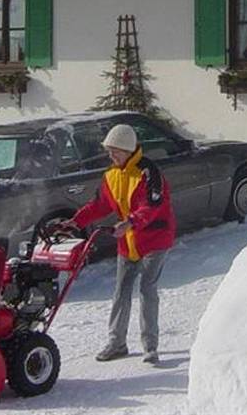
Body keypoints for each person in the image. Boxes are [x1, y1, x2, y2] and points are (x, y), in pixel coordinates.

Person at [65, 123, 175, 364]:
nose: (110, 155)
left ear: (127, 149)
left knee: (147, 289)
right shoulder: (111, 176)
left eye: (114, 150)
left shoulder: (149, 172)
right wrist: (75, 222)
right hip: (128, 242)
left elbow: (152, 206)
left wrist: (130, 222)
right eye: (109, 150)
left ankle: (150, 346)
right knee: (121, 292)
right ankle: (117, 344)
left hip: (154, 240)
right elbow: (100, 205)